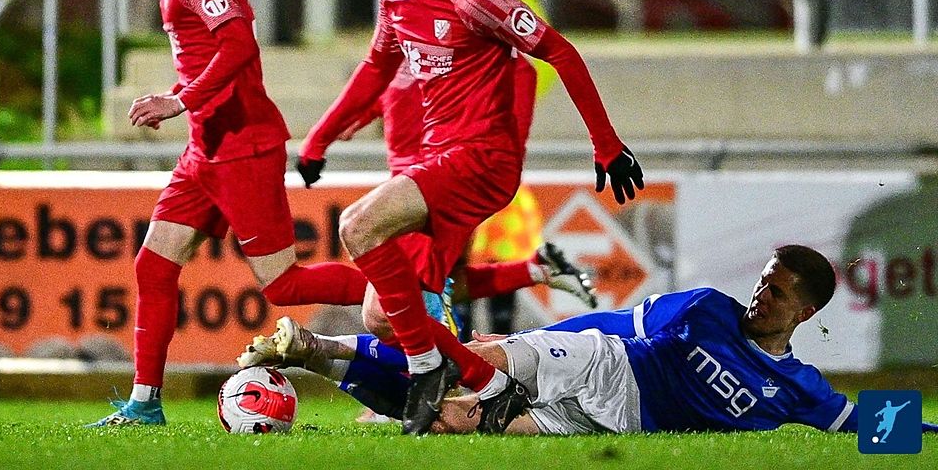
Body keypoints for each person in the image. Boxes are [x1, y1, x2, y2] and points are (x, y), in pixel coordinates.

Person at [288, 0, 643, 435]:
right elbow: (378, 68)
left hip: (481, 161)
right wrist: (318, 139)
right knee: (383, 315)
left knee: (358, 225)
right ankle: (488, 385)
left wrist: (607, 145)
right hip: (439, 162)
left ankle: (430, 369)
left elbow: (561, 53)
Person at [86, 0, 369, 427]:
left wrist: (178, 100)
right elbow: (205, 51)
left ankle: (413, 295)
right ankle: (145, 404)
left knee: (283, 284)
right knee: (154, 264)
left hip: (243, 145)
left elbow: (239, 43)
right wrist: (183, 99)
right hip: (205, 149)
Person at [255, 245, 938, 436]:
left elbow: (869, 424)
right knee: (475, 365)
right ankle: (327, 345)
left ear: (806, 310)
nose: (761, 294)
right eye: (763, 280)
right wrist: (538, 344)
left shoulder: (799, 392)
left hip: (619, 420)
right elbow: (618, 326)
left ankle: (316, 358)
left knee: (452, 420)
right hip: (602, 361)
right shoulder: (705, 309)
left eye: (777, 291)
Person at [445, 0, 557, 336]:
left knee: (500, 245)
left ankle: (502, 348)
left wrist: (509, 112)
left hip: (492, 144)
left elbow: (542, 58)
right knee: (454, 251)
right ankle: (460, 345)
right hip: (444, 146)